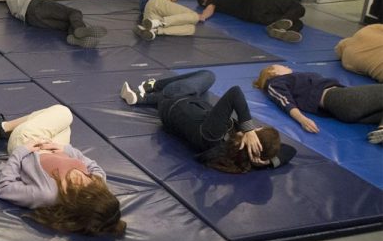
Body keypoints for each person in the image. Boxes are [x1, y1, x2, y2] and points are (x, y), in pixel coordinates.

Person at [0, 104, 124, 236]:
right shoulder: (97, 181)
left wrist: (21, 151)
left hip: (27, 142)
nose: (85, 180)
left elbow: (2, 188)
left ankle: (4, 128)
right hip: (54, 145)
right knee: (65, 124)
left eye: (85, 186)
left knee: (64, 112)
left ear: (83, 201)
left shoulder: (47, 194)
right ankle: (4, 128)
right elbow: (93, 166)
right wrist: (65, 149)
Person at [120, 70, 294, 172]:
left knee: (208, 75)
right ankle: (141, 98)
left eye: (258, 129)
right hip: (185, 109)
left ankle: (152, 86)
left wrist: (248, 129)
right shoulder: (239, 154)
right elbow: (291, 151)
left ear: (252, 139)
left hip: (173, 101)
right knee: (201, 89)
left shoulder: (214, 134)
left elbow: (235, 92)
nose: (257, 127)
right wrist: (267, 161)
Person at [253, 64, 383, 144]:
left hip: (345, 108)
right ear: (273, 72)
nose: (286, 66)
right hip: (339, 99)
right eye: (281, 65)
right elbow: (284, 101)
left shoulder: (291, 78)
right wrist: (302, 119)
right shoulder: (275, 82)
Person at [4, 0, 108, 48]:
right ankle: (80, 29)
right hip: (36, 4)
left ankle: (74, 37)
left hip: (31, 19)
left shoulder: (11, 6)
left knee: (67, 24)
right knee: (74, 13)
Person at [196, 0, 305, 43]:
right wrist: (203, 16)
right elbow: (209, 9)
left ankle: (278, 31)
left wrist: (203, 16)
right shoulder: (213, 1)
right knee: (298, 8)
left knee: (298, 23)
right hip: (258, 0)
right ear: (204, 2)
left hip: (253, 16)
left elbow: (210, 9)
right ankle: (280, 26)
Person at [135, 0, 201, 40]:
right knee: (195, 16)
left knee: (191, 29)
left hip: (148, 16)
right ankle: (160, 22)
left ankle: (155, 30)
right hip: (156, 3)